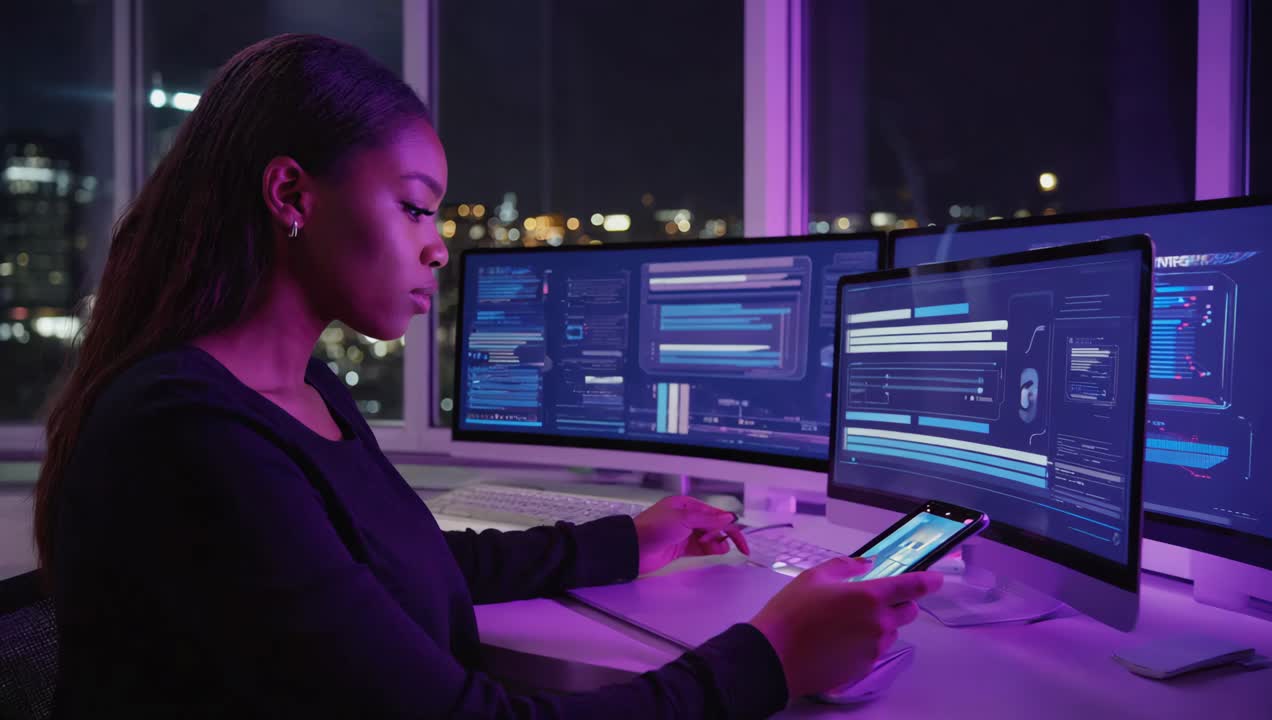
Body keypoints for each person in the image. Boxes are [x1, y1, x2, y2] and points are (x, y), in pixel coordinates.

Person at [33, 34, 942, 718]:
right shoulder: (190, 436)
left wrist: (626, 542)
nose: (439, 244)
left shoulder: (299, 395)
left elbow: (396, 560)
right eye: (415, 206)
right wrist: (770, 659)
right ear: (291, 196)